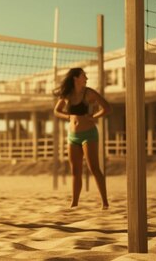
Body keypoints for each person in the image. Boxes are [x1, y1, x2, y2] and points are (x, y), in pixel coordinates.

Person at [53, 67, 111, 210]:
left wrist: (93, 117)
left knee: (94, 168)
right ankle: (74, 203)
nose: (86, 78)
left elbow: (106, 107)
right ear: (75, 78)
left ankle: (105, 202)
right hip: (73, 136)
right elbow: (56, 111)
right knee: (75, 172)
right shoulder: (67, 95)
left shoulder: (89, 93)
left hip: (88, 134)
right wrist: (68, 117)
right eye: (83, 76)